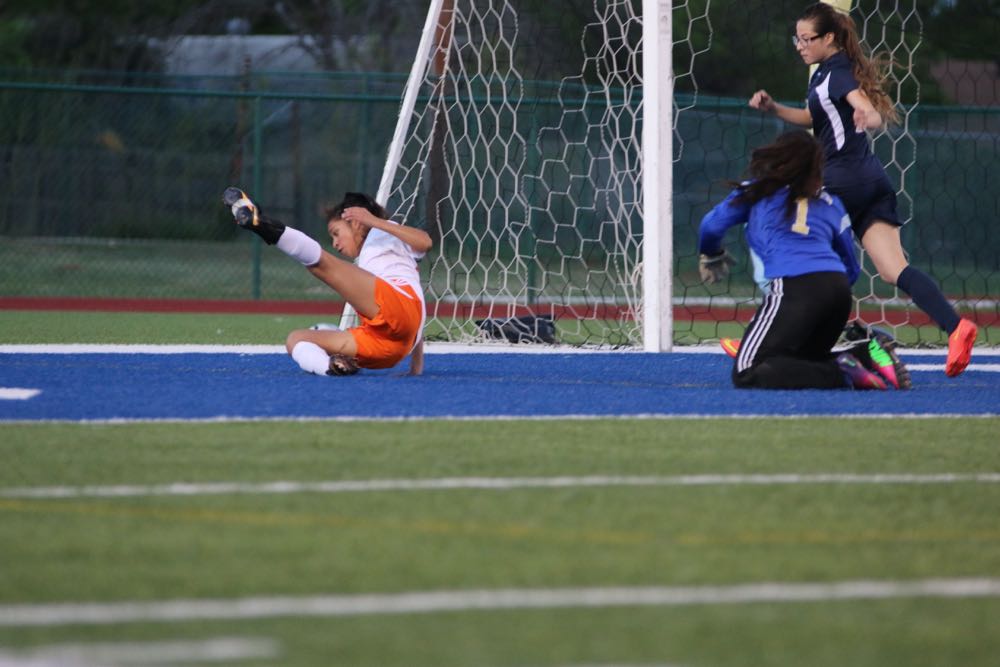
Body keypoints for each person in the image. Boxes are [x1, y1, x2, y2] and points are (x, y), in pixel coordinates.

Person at [747, 2, 976, 377]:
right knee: (894, 269)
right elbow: (813, 117)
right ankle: (956, 327)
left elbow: (861, 104)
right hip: (872, 180)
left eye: (807, 39)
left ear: (830, 38)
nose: (800, 46)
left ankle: (775, 339)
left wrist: (867, 114)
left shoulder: (837, 74)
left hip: (840, 182)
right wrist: (774, 108)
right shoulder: (825, 75)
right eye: (797, 39)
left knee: (784, 237)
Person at [698, 130, 910, 390]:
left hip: (795, 287)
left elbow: (710, 225)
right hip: (838, 290)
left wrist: (712, 253)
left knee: (747, 372)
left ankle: (841, 370)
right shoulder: (831, 202)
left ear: (778, 160)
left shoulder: (758, 191)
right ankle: (863, 356)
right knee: (799, 360)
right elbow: (851, 267)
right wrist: (830, 293)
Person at [222, 187, 432, 376]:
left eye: (336, 233)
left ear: (357, 222)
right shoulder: (378, 261)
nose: (336, 243)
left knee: (321, 265)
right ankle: (329, 368)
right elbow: (410, 315)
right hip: (392, 346)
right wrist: (416, 366)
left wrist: (375, 221)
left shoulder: (381, 232)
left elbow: (425, 241)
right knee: (296, 339)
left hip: (398, 321)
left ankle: (262, 224)